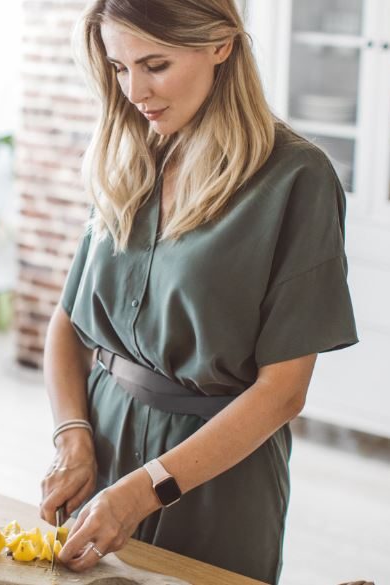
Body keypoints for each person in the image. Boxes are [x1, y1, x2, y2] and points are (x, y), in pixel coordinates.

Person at [40, 1, 358, 583]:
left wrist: (146, 489)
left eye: (155, 64)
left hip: (216, 476)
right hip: (103, 444)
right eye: (118, 67)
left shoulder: (296, 179)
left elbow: (283, 393)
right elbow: (68, 324)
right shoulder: (127, 153)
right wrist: (73, 439)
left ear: (221, 45)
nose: (135, 90)